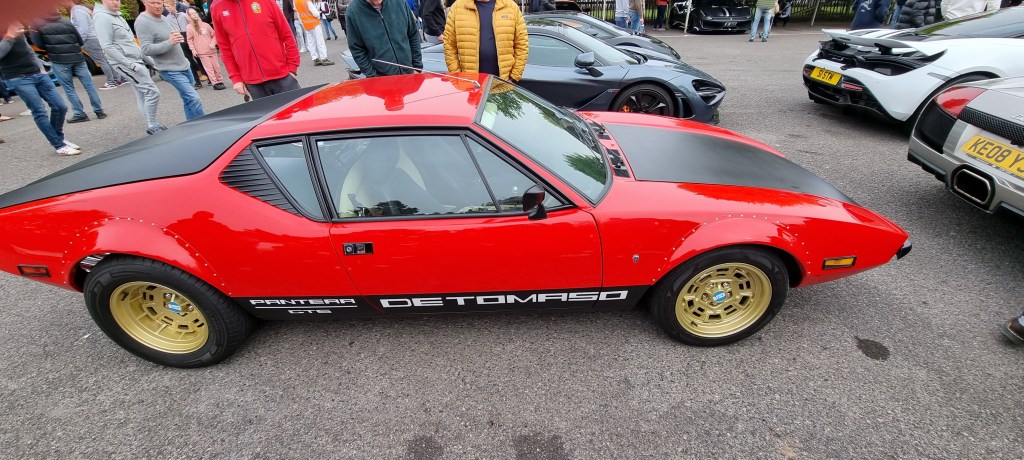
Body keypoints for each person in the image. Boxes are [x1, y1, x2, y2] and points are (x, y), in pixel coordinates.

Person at [1, 23, 80, 155]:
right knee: (39, 111)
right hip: (18, 78)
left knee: (60, 106)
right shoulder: (9, 32)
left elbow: (27, 49)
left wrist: (40, 67)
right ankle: (59, 145)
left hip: (38, 73)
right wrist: (9, 36)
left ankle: (57, 138)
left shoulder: (13, 24)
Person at [94, 0, 166, 134]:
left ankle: (152, 124)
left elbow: (131, 43)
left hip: (135, 60)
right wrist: (130, 65)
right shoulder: (102, 18)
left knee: (142, 94)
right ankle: (152, 125)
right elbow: (107, 46)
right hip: (127, 63)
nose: (115, 2)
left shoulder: (117, 16)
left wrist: (149, 61)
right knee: (152, 92)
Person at [212, 0, 301, 100]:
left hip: (282, 75)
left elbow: (287, 35)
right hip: (253, 83)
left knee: (297, 109)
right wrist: (236, 78)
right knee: (267, 111)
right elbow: (225, 48)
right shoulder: (217, 6)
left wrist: (292, 67)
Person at [30, 11, 107, 123]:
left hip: (59, 59)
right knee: (89, 85)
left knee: (69, 88)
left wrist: (51, 48)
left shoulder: (36, 24)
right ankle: (99, 111)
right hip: (78, 57)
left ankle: (79, 113)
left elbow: (38, 44)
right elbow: (80, 40)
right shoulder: (66, 21)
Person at [136, 0, 206, 121]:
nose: (157, 6)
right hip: (169, 69)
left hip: (184, 65)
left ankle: (192, 127)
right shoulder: (142, 22)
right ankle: (204, 125)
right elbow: (146, 49)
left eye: (159, 3)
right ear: (144, 3)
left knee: (188, 100)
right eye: (153, 3)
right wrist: (169, 42)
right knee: (194, 98)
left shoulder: (163, 18)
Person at [443, 0, 528, 82]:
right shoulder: (457, 8)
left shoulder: (511, 7)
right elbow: (449, 46)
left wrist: (513, 77)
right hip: (470, 84)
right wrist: (458, 77)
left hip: (503, 83)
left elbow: (522, 45)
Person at [346, 0, 421, 77]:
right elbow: (357, 49)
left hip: (410, 74)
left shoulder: (400, 2)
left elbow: (413, 34)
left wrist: (417, 67)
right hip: (381, 78)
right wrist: (373, 76)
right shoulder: (353, 11)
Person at [65, 0, 127, 90]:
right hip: (94, 37)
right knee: (105, 60)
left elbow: (83, 29)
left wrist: (79, 42)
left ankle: (112, 82)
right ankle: (117, 79)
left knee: (102, 61)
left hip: (89, 40)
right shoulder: (82, 9)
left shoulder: (77, 11)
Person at [163, 0, 206, 89]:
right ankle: (197, 81)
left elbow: (192, 24)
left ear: (174, 5)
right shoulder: (167, 18)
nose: (166, 8)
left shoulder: (183, 15)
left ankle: (207, 74)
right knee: (189, 60)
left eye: (168, 6)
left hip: (189, 35)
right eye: (165, 6)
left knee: (198, 57)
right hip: (180, 38)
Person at [185, 7, 225, 90]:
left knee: (216, 67)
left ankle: (220, 80)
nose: (194, 15)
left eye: (195, 13)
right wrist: (193, 50)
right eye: (191, 14)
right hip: (202, 52)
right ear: (189, 16)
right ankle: (215, 82)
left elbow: (214, 35)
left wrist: (213, 43)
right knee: (209, 68)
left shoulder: (206, 25)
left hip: (211, 50)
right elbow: (190, 40)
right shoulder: (189, 27)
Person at [296, 0, 334, 65]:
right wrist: (318, 13)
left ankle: (315, 58)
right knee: (320, 41)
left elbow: (298, 15)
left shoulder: (296, 2)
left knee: (311, 42)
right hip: (314, 24)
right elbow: (316, 13)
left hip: (306, 24)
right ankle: (324, 58)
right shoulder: (307, 1)